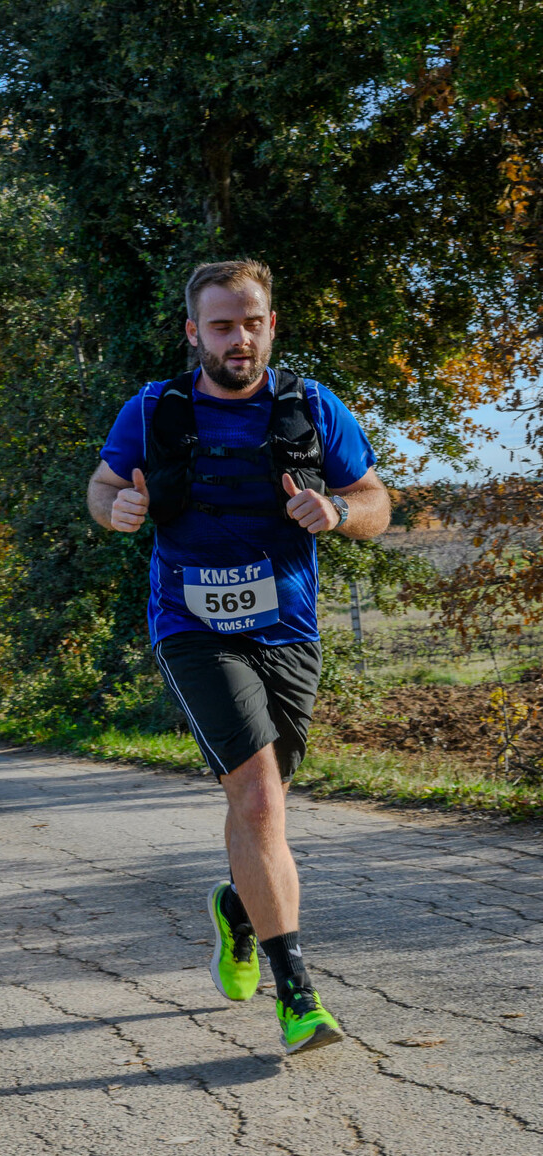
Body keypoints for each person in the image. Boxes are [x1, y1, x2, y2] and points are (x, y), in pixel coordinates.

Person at [87, 259, 390, 1055]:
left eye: (252, 322)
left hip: (289, 633)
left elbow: (377, 502)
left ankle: (237, 905)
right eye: (222, 325)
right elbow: (102, 484)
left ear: (271, 325)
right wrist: (118, 506)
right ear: (195, 333)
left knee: (265, 801)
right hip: (191, 627)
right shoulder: (154, 409)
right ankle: (299, 997)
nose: (239, 338)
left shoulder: (313, 407)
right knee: (257, 801)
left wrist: (338, 511)